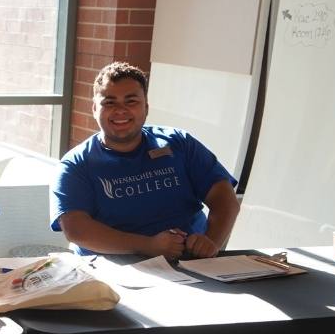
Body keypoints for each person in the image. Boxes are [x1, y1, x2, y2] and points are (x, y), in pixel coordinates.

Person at [51, 61, 240, 259]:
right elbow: (76, 229)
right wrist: (148, 246)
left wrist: (210, 242)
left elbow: (224, 198)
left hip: (189, 262)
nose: (120, 110)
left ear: (146, 107)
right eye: (109, 102)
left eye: (131, 101)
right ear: (94, 109)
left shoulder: (179, 143)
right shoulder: (75, 165)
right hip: (112, 270)